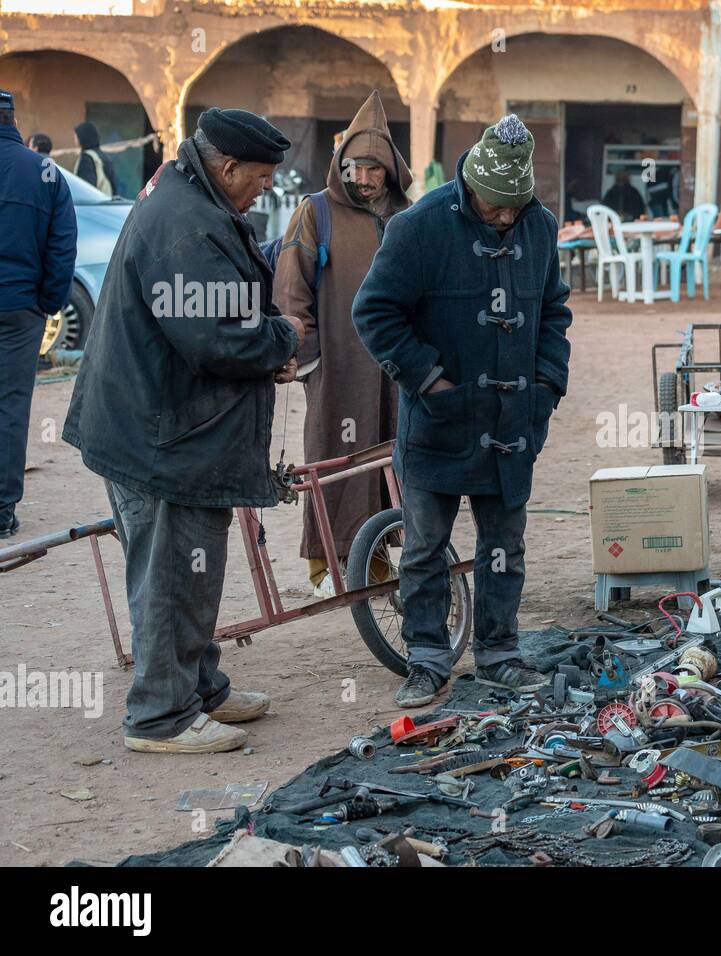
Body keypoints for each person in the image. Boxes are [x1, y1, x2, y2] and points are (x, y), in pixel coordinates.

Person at [63, 108, 305, 754]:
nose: (263, 191)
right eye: (258, 180)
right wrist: (281, 339)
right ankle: (160, 714)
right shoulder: (183, 221)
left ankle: (198, 687)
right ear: (227, 167)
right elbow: (217, 335)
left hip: (177, 431)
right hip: (155, 438)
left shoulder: (195, 198)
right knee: (169, 573)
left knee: (195, 566)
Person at [353, 114, 572, 707]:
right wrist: (431, 381)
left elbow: (553, 312)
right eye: (494, 208)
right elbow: (374, 313)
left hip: (512, 422)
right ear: (469, 186)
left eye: (514, 209)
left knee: (506, 544)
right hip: (440, 420)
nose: (504, 218)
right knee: (425, 546)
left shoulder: (539, 227)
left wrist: (547, 384)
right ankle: (426, 658)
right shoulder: (419, 227)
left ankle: (500, 653)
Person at [273, 91, 412, 597]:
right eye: (354, 166)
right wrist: (304, 357)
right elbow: (292, 286)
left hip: (395, 366)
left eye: (375, 167)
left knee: (390, 459)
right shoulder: (316, 212)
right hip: (338, 365)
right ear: (340, 165)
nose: (364, 177)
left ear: (390, 169)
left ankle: (376, 562)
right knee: (335, 459)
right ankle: (326, 566)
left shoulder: (406, 217)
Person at [0, 90, 77, 540]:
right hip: (19, 310)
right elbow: (62, 244)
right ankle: (3, 509)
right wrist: (46, 302)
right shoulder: (45, 172)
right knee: (10, 404)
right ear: (14, 121)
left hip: (22, 304)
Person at [73, 121, 117, 197]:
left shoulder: (87, 158)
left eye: (76, 135)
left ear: (83, 137)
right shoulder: (103, 156)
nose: (74, 137)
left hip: (93, 204)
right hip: (107, 203)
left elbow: (85, 188)